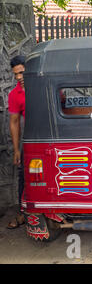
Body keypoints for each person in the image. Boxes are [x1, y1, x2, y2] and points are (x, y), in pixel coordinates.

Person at [7, 55, 26, 229]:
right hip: (29, 141)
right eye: (15, 74)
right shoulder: (14, 95)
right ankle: (22, 214)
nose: (18, 77)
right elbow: (14, 123)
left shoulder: (43, 87)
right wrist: (17, 150)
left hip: (50, 138)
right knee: (24, 176)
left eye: (21, 72)